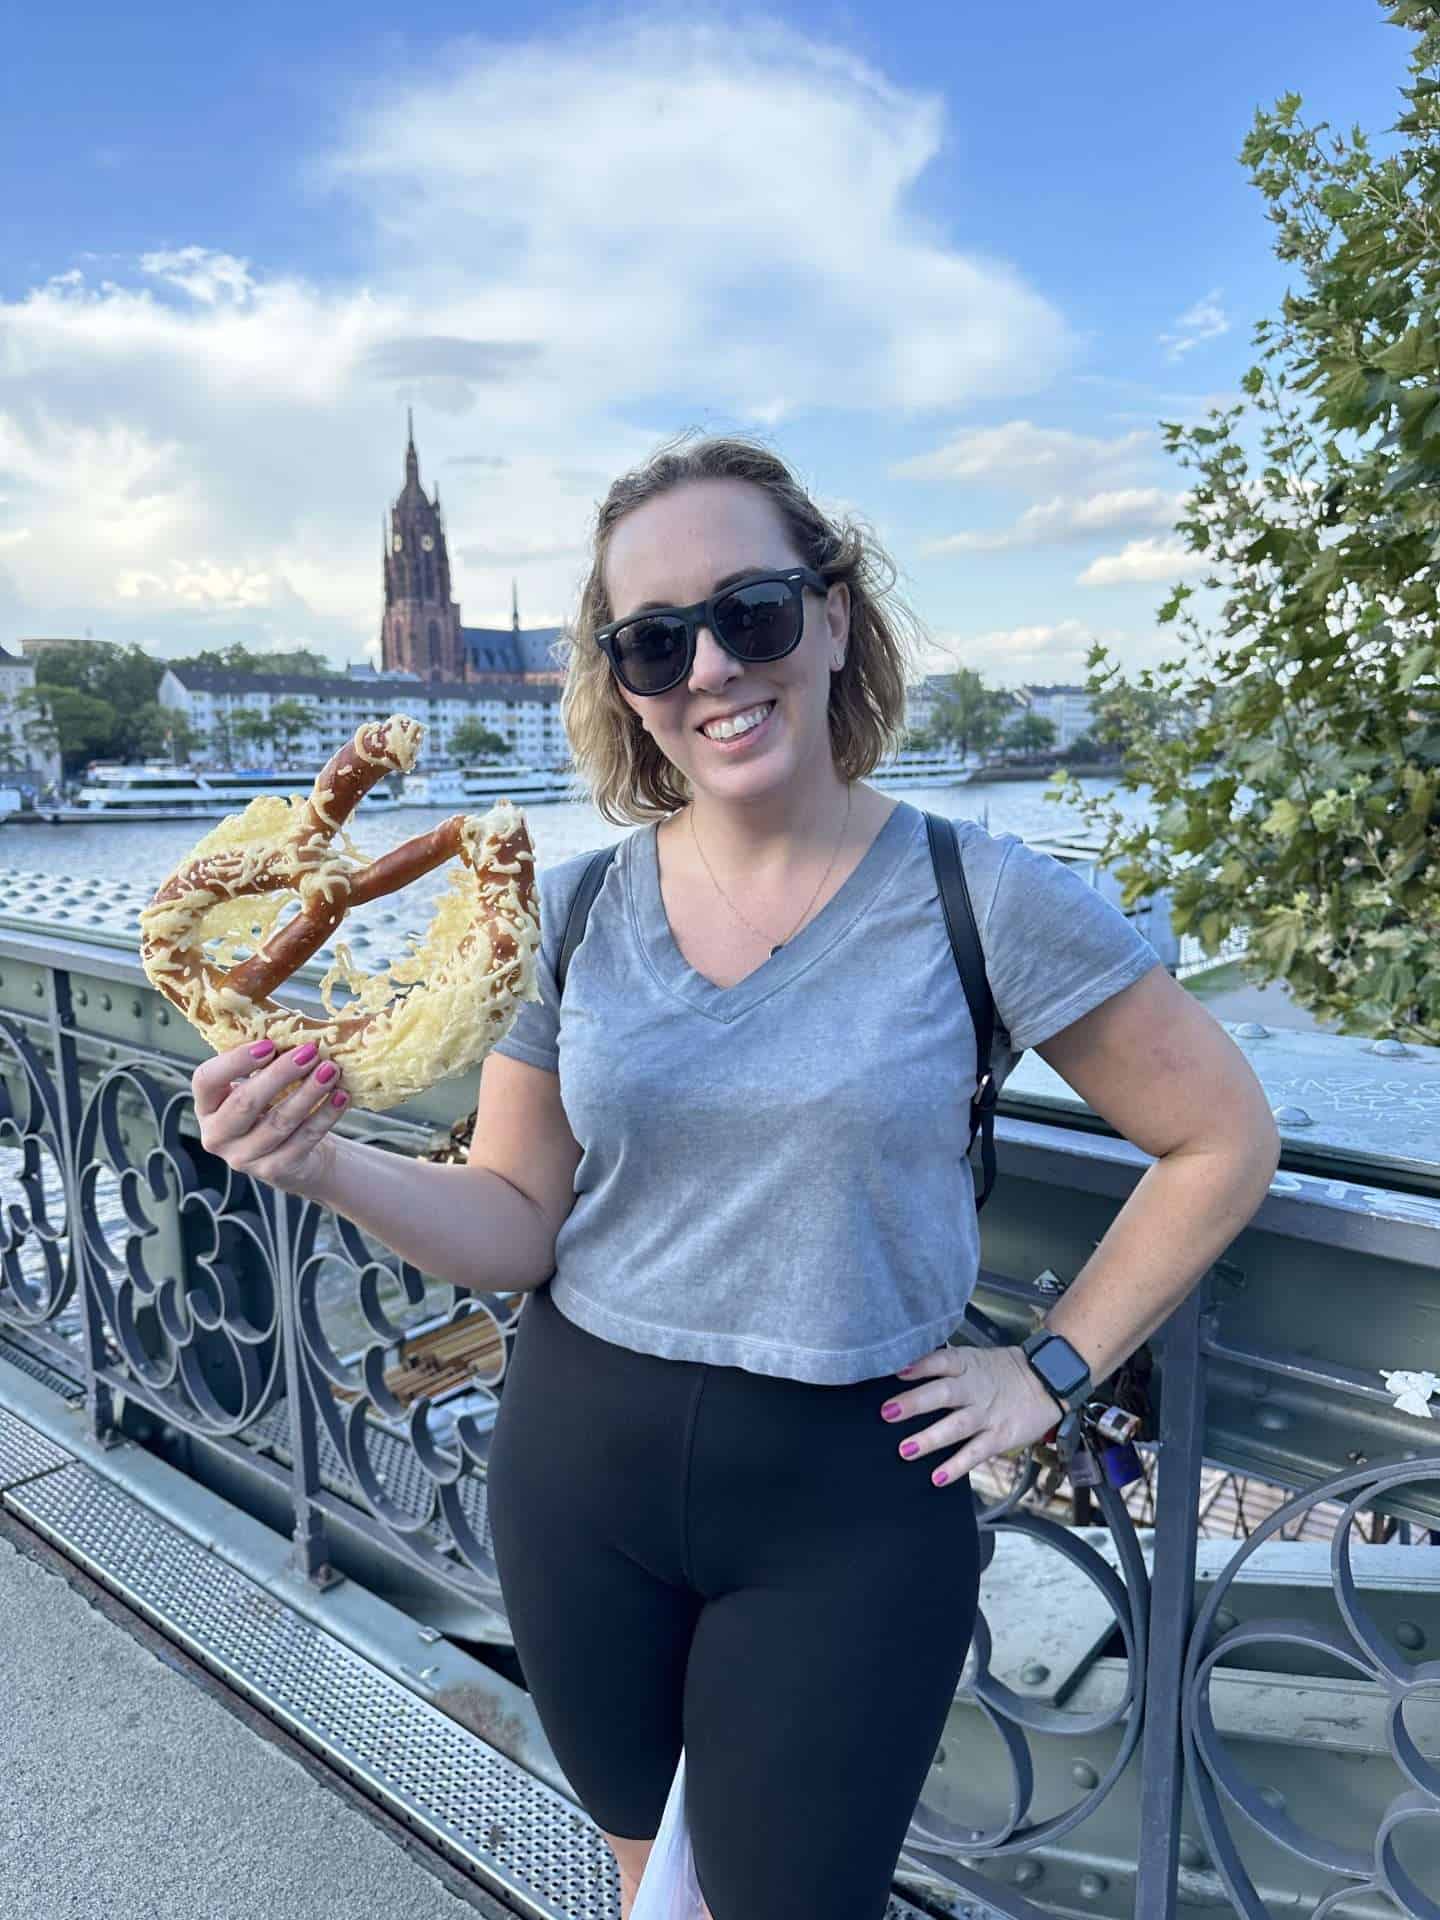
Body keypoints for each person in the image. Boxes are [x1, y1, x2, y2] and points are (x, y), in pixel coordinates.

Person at [190, 434, 1282, 1920]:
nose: (709, 666)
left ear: (834, 617)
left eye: (750, 612)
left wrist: (1053, 1366)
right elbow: (516, 1225)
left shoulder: (987, 897)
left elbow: (1220, 1135)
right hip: (580, 1471)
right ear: (623, 682)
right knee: (653, 1890)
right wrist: (322, 1165)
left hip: (849, 1501)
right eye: (653, 640)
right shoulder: (567, 915)